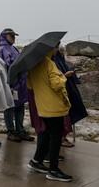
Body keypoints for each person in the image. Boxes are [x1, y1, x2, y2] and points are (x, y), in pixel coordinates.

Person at [27, 44, 72, 182]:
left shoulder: (33, 65)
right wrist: (63, 77)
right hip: (54, 107)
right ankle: (53, 169)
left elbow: (30, 85)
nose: (56, 50)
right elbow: (57, 84)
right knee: (55, 137)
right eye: (54, 48)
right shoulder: (49, 64)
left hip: (42, 107)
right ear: (48, 50)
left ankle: (36, 161)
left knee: (46, 135)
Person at [0, 28, 34, 142]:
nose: (14, 38)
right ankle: (10, 131)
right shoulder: (2, 50)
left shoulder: (14, 49)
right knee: (9, 108)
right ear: (5, 36)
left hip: (20, 84)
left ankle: (20, 130)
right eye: (11, 36)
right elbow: (4, 69)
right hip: (11, 85)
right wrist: (9, 84)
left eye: (14, 36)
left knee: (20, 107)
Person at [53, 43, 88, 147]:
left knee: (70, 112)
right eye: (62, 51)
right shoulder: (55, 62)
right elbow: (57, 78)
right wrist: (65, 75)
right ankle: (62, 138)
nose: (63, 53)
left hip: (69, 89)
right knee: (65, 116)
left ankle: (63, 137)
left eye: (64, 51)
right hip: (62, 92)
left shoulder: (61, 61)